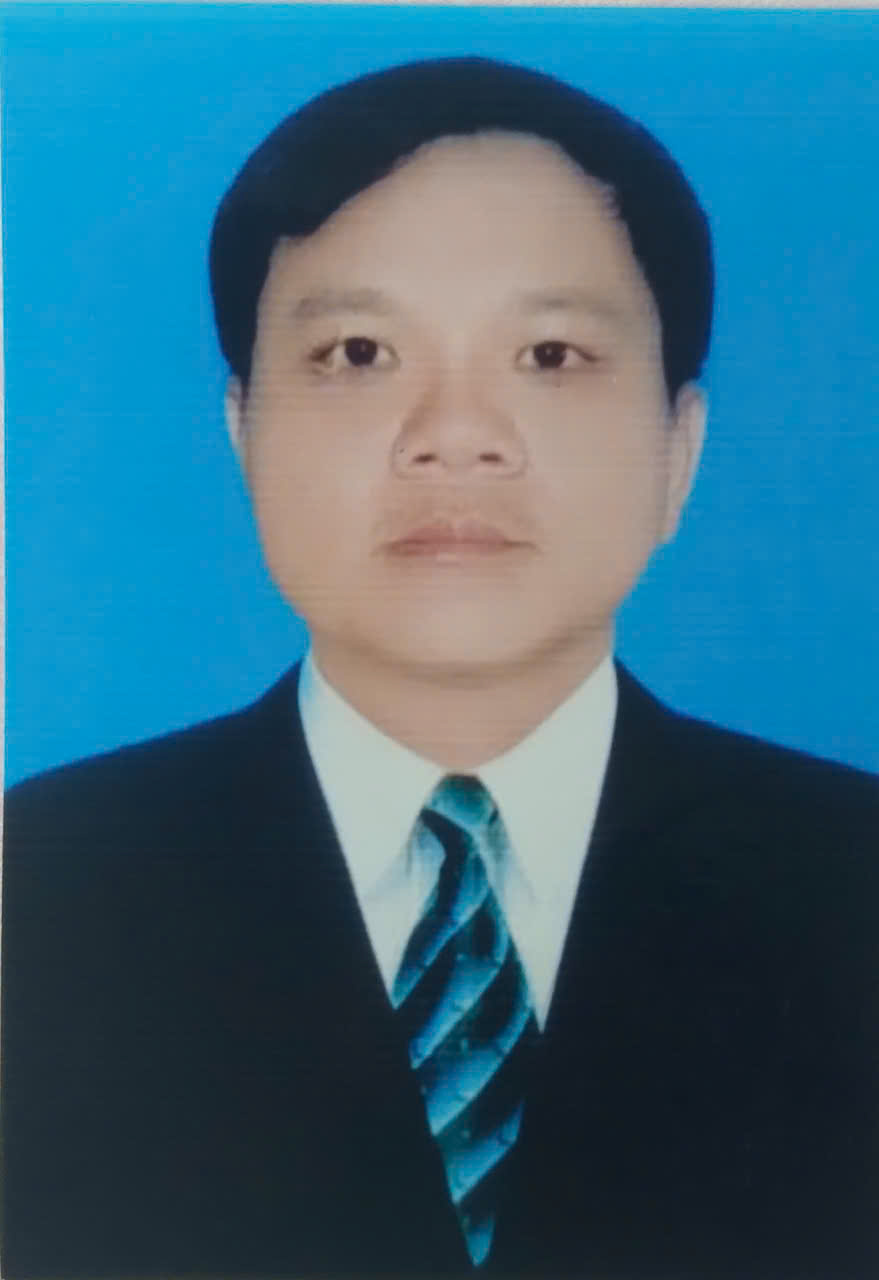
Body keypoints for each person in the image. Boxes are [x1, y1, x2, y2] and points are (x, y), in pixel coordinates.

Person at [2, 55, 877, 1280]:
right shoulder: (37, 891)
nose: (456, 437)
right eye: (360, 352)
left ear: (680, 449)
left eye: (552, 356)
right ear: (242, 435)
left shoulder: (854, 882)